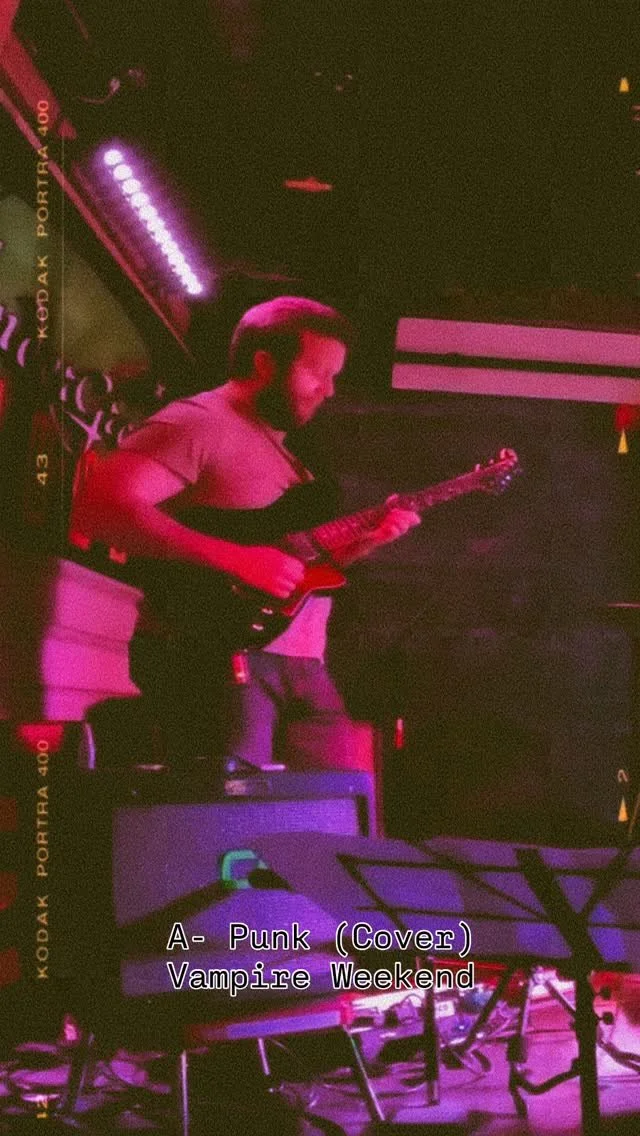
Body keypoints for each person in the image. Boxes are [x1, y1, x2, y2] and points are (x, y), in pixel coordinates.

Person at [75, 297, 420, 772]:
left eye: (334, 377)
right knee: (234, 806)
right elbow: (99, 507)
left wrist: (365, 543)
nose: (329, 391)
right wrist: (239, 561)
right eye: (317, 373)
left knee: (335, 799)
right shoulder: (199, 422)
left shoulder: (281, 440)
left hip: (303, 659)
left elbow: (285, 561)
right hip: (221, 663)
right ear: (264, 364)